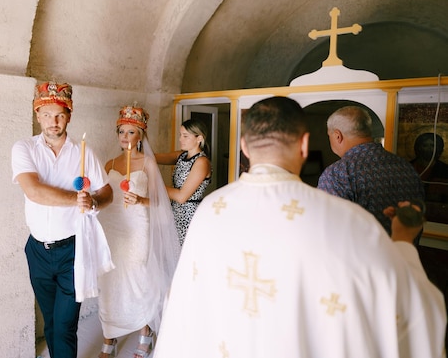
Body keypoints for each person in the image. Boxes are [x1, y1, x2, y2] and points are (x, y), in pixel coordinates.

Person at [154, 96, 446, 358]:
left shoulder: (209, 211)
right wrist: (404, 242)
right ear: (305, 145)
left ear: (244, 146)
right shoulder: (347, 218)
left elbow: (184, 302)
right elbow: (413, 312)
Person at [11, 81, 113, 358]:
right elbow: (33, 191)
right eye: (46, 114)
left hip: (72, 250)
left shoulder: (84, 152)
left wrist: (94, 201)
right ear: (37, 115)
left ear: (69, 115)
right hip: (37, 250)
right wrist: (75, 199)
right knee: (52, 322)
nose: (53, 121)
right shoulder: (24, 148)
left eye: (59, 115)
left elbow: (106, 192)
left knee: (65, 325)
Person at [96, 105, 180, 358]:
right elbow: (104, 196)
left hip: (137, 227)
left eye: (131, 132)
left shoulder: (148, 164)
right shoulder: (109, 163)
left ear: (140, 135)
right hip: (112, 227)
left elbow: (161, 201)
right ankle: (109, 338)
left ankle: (145, 332)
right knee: (109, 281)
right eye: (121, 131)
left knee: (138, 279)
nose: (124, 136)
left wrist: (140, 201)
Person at [317, 105, 425, 236]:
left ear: (337, 136)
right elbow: (417, 218)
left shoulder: (337, 174)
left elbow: (329, 230)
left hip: (359, 255)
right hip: (405, 253)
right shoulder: (406, 166)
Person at [156, 119, 212, 245]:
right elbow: (152, 157)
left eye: (185, 136)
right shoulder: (181, 156)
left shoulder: (202, 162)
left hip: (189, 216)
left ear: (199, 138)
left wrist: (155, 185)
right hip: (174, 212)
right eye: (180, 135)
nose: (181, 139)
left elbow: (182, 197)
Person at [411, 132, 448, 203]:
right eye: (425, 145)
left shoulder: (444, 169)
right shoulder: (409, 166)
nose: (429, 149)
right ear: (419, 147)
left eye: (432, 145)